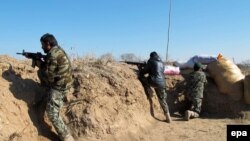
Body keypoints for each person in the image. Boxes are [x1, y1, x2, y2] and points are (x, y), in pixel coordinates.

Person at [31, 33, 75, 141]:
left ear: (48, 44)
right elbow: (50, 64)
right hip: (66, 82)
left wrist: (38, 62)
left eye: (42, 45)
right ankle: (48, 91)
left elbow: (50, 76)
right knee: (40, 73)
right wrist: (41, 58)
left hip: (59, 86)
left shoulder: (52, 55)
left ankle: (67, 137)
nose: (41, 47)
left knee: (52, 113)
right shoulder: (57, 50)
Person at [139, 51, 172, 123]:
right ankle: (168, 116)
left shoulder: (151, 61)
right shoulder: (162, 63)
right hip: (162, 84)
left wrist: (141, 68)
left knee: (141, 76)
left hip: (153, 82)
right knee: (162, 100)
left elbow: (144, 72)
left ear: (151, 56)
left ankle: (148, 88)